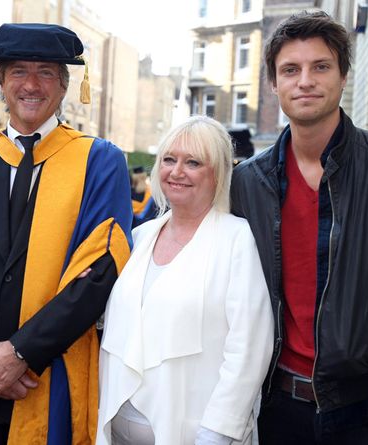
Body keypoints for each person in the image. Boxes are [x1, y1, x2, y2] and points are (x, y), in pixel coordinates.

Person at [0, 23, 132, 445]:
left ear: (65, 84)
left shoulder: (99, 161)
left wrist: (20, 354)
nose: (31, 85)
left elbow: (100, 271)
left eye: (46, 72)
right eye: (18, 71)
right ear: (0, 81)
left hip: (52, 373)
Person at [231, 10, 368, 444]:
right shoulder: (246, 182)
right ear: (274, 84)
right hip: (279, 406)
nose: (305, 80)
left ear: (343, 77)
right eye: (291, 69)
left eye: (320, 66)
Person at [97, 115, 274, 445]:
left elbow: (249, 347)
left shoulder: (238, 240)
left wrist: (218, 432)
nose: (176, 172)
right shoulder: (140, 236)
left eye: (193, 162)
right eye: (169, 159)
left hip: (192, 432)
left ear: (217, 173)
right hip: (116, 428)